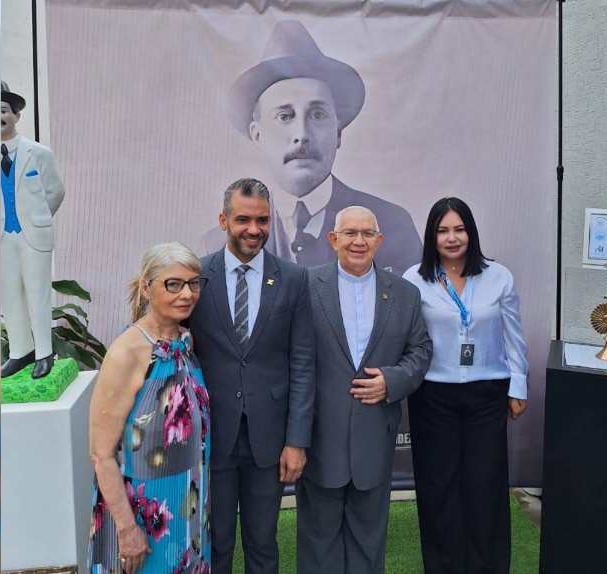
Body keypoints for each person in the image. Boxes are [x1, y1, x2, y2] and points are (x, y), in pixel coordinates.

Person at [200, 20, 421, 274]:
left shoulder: (391, 227)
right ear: (258, 135)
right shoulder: (219, 244)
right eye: (284, 116)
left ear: (338, 132)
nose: (302, 135)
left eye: (317, 115)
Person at [188, 178, 315, 574]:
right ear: (223, 219)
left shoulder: (294, 279)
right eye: (243, 219)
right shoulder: (197, 277)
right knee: (217, 540)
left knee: (262, 542)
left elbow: (303, 363)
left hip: (270, 440)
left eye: (262, 220)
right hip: (213, 437)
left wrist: (296, 440)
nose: (254, 230)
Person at [297, 206, 432, 574]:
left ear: (379, 240)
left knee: (368, 543)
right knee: (317, 543)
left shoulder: (405, 294)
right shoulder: (305, 286)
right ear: (333, 239)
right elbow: (292, 358)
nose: (359, 241)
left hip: (375, 437)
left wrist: (392, 381)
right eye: (350, 233)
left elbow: (420, 351)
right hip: (320, 439)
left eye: (367, 233)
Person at [402, 197, 530, 574]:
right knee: (438, 487)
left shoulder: (498, 276)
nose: (452, 238)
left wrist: (518, 386)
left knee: (485, 486)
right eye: (443, 231)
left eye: (459, 229)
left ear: (471, 233)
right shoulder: (415, 279)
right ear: (431, 237)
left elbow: (514, 337)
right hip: (432, 396)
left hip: (487, 394)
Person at [87, 242, 211, 574]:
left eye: (193, 283)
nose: (187, 294)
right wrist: (127, 530)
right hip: (143, 521)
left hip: (188, 513)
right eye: (173, 284)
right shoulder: (127, 352)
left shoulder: (185, 341)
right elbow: (101, 455)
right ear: (146, 286)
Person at [0, 80, 66, 379]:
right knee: (10, 292)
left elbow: (55, 191)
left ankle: (43, 352)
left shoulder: (38, 153)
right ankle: (20, 352)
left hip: (33, 236)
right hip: (2, 237)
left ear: (16, 115)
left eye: (2, 110)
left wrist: (38, 218)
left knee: (37, 292)